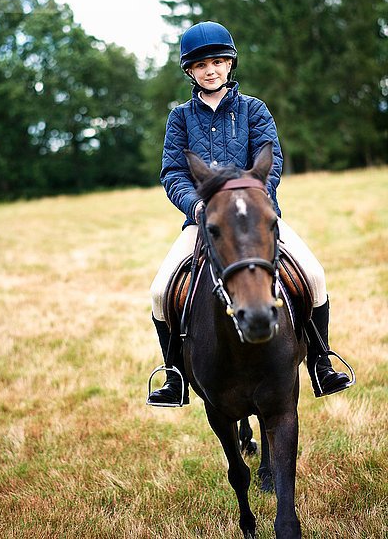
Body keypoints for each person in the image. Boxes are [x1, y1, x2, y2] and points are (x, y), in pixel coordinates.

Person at [147, 21, 353, 406]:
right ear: (189, 71)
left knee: (314, 273)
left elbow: (270, 162)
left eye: (218, 61)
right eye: (201, 64)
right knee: (160, 292)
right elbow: (173, 172)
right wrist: (198, 206)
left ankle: (322, 362)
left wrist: (257, 199)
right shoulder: (180, 118)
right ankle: (174, 374)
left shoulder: (253, 109)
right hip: (205, 221)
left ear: (230, 64)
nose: (211, 70)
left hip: (257, 218)